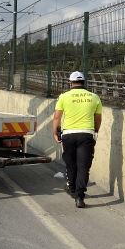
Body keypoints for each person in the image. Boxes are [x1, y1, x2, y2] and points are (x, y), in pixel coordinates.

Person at [52, 71, 102, 208]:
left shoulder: (64, 97)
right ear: (84, 82)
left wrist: (55, 132)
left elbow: (57, 117)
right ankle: (79, 197)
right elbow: (98, 119)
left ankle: (72, 187)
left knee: (71, 163)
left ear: (70, 83)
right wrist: (95, 131)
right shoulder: (94, 97)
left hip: (68, 135)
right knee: (83, 167)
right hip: (86, 135)